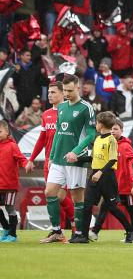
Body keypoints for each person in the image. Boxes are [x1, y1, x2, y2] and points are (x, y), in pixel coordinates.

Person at [41, 75, 96, 243]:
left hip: (76, 160)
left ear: (78, 88)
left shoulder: (86, 107)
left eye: (70, 90)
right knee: (50, 192)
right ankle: (57, 232)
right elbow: (58, 132)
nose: (66, 94)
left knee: (76, 196)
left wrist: (76, 151)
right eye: (64, 90)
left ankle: (79, 233)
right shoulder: (62, 107)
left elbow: (92, 134)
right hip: (58, 159)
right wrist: (51, 156)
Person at [70, 111, 133, 243]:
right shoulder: (97, 139)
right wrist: (77, 158)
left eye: (96, 122)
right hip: (95, 174)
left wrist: (100, 172)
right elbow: (93, 157)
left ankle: (130, 230)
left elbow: (112, 160)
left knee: (112, 207)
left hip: (107, 176)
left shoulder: (111, 140)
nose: (95, 125)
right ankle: (83, 236)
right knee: (87, 205)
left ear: (101, 124)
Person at [27, 82, 75, 233]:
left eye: (53, 92)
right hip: (49, 161)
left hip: (65, 161)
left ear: (62, 93)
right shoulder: (46, 114)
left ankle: (76, 226)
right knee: (53, 196)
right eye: (49, 92)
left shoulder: (70, 111)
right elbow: (42, 139)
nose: (50, 95)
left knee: (59, 196)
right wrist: (31, 159)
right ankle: (59, 230)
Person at [90, 118, 133, 242]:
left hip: (125, 185)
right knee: (105, 206)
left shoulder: (125, 146)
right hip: (113, 184)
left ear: (122, 130)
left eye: (116, 129)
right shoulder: (107, 143)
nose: (113, 131)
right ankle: (95, 231)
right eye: (111, 129)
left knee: (129, 208)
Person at [0, 121, 31, 242]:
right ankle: (7, 229)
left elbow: (21, 159)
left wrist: (27, 165)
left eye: (0, 131)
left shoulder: (12, 146)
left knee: (9, 208)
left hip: (9, 185)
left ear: (7, 132)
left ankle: (13, 235)